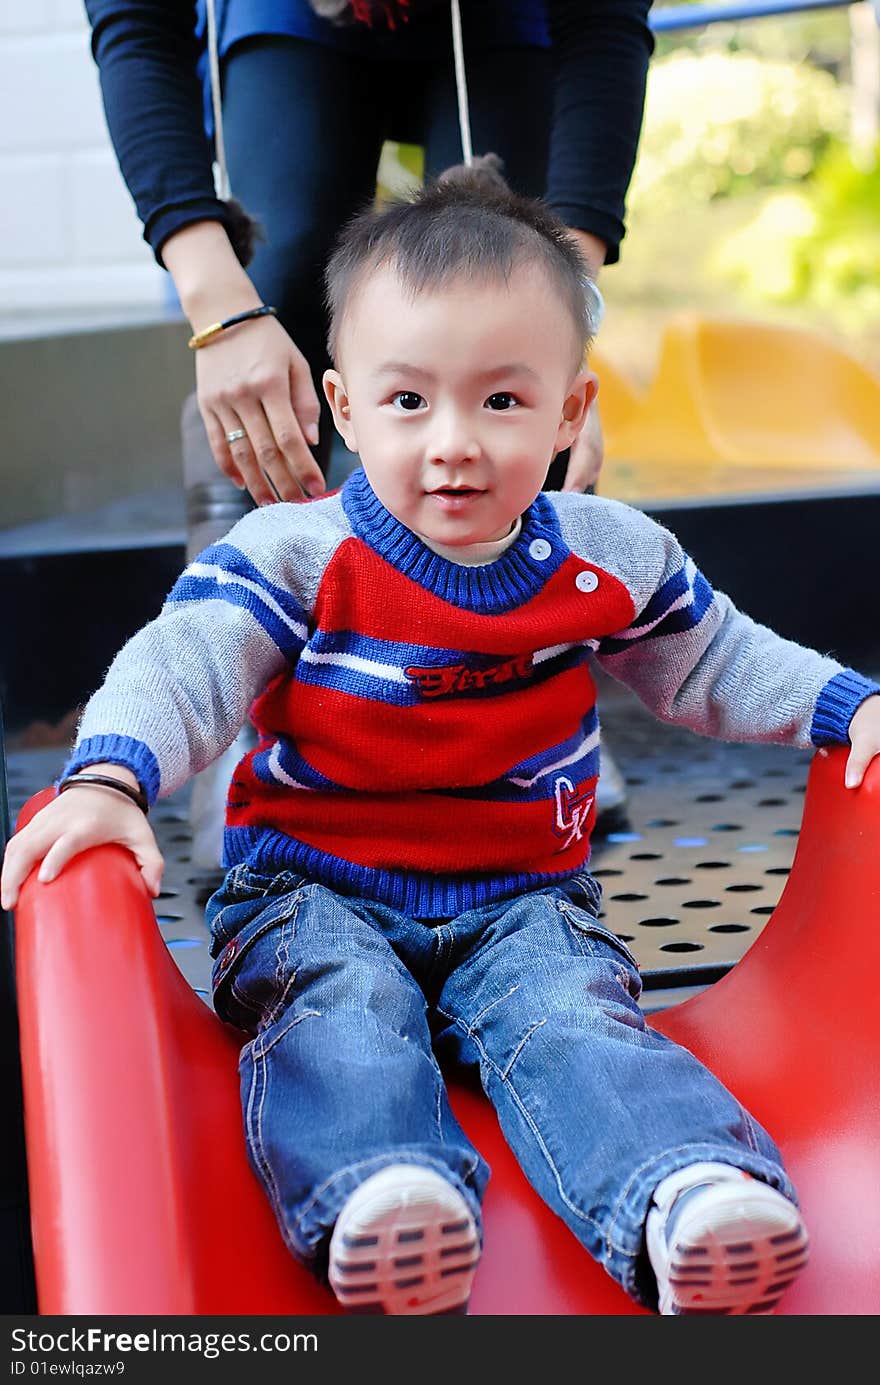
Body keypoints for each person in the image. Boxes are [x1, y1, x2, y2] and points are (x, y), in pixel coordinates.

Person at [8, 162, 877, 1316]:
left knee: (574, 1014)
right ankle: (388, 1197)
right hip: (312, 888)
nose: (453, 443)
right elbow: (188, 661)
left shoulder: (604, 552)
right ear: (345, 406)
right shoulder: (297, 554)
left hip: (523, 895)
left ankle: (687, 1193)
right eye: (409, 401)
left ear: (571, 412)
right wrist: (111, 775)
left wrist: (847, 702)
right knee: (341, 1010)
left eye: (502, 402)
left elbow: (715, 659)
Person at [85, 0, 653, 857]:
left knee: (515, 312)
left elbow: (603, 26)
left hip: (500, 22)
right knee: (285, 257)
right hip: (289, 28)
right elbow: (138, 26)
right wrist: (222, 309)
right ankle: (244, 718)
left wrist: (557, 344)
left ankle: (540, 693)